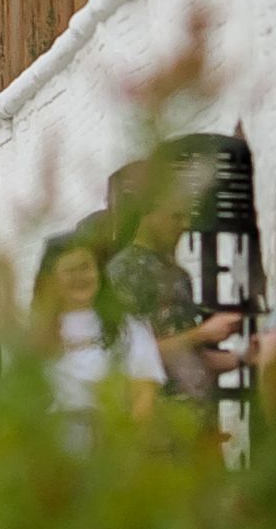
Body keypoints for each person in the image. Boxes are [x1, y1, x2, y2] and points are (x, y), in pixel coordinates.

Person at [104, 174, 244, 419]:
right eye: (176, 216)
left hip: (195, 424)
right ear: (148, 215)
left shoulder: (178, 274)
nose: (186, 224)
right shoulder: (125, 271)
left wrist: (242, 357)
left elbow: (184, 357)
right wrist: (204, 333)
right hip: (156, 427)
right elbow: (129, 358)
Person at [30, 228, 163, 425]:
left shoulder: (129, 328)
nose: (79, 277)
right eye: (69, 271)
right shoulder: (33, 333)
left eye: (85, 268)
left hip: (111, 437)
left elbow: (144, 395)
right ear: (51, 280)